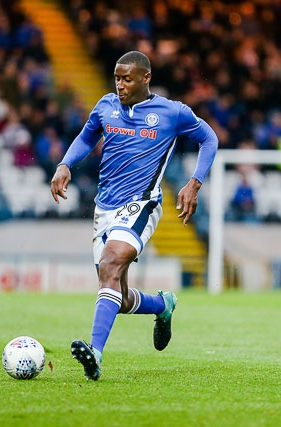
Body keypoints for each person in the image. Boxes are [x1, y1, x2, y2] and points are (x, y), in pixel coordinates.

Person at [50, 50, 218, 381]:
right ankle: (162, 305)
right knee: (117, 293)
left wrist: (194, 183)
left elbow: (208, 138)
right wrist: (65, 163)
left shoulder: (172, 112)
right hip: (104, 208)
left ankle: (95, 355)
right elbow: (87, 136)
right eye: (117, 78)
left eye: (127, 79)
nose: (120, 85)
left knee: (111, 264)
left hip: (141, 204)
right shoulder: (105, 106)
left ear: (145, 78)